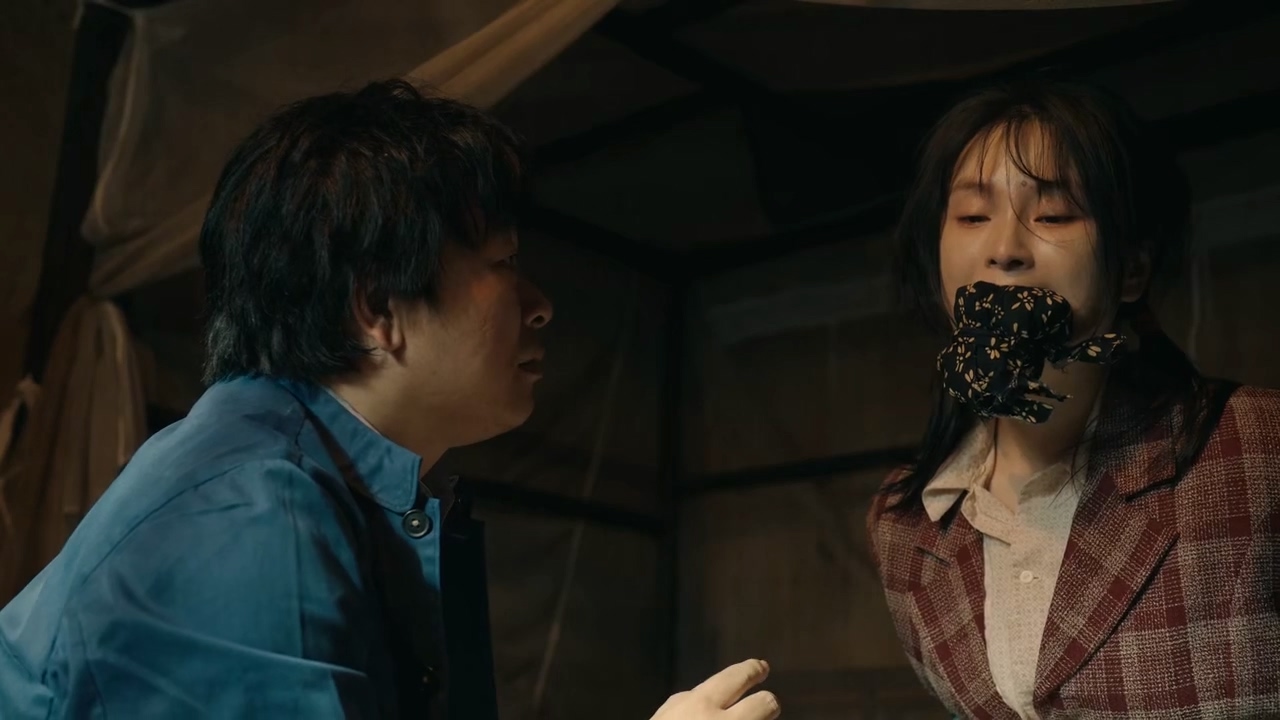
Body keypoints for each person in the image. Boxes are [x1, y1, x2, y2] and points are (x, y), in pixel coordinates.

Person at [0, 79, 781, 720]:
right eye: (504, 263)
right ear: (378, 309)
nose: (541, 305)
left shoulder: (341, 487)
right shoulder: (249, 510)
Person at [866, 78, 1280, 719]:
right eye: (972, 216)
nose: (1004, 250)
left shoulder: (1255, 449)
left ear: (1132, 268)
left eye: (1053, 215)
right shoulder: (904, 526)